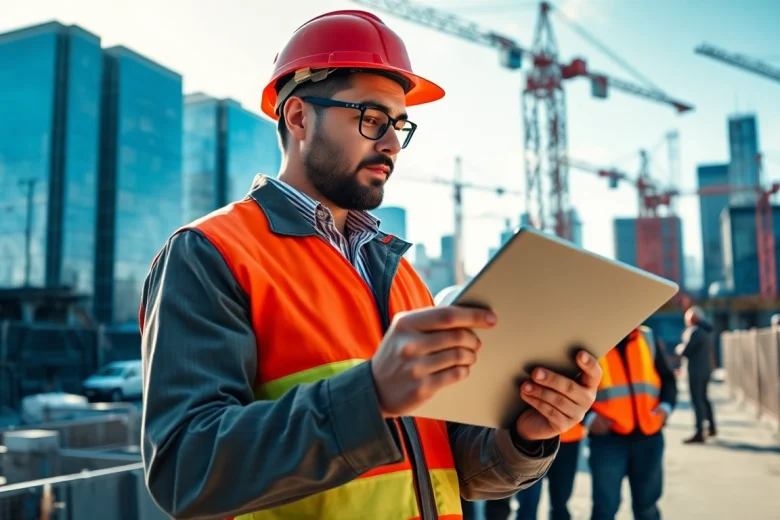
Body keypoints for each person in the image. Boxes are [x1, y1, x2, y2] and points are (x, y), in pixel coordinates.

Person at [139, 10, 602, 520]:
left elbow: (454, 473)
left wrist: (525, 434)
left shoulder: (401, 274)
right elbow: (186, 471)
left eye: (399, 126)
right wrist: (370, 394)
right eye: (372, 119)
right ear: (297, 118)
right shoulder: (210, 253)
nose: (390, 144)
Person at [585, 325, 677, 520]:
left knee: (647, 508)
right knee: (604, 510)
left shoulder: (647, 336)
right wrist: (588, 418)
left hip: (649, 437)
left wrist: (666, 408)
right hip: (607, 440)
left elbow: (668, 380)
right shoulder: (589, 342)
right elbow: (571, 387)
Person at [480, 423, 585, 520]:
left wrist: (589, 417)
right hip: (528, 436)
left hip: (567, 437)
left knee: (561, 504)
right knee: (527, 505)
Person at [677, 306, 717, 443]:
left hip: (695, 371)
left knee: (697, 401)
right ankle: (711, 427)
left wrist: (678, 349)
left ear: (693, 318)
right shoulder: (707, 330)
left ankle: (699, 432)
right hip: (705, 370)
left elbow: (686, 350)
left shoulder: (694, 332)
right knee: (704, 398)